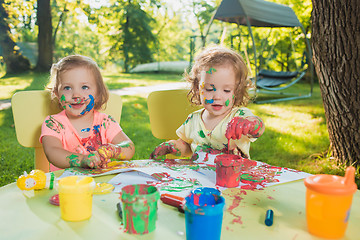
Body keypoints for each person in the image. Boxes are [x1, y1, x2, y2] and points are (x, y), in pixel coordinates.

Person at [150, 46, 264, 160]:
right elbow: (187, 148)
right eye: (209, 89)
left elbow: (258, 128)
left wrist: (250, 125)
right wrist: (173, 147)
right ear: (197, 88)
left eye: (227, 90)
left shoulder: (239, 116)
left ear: (237, 90)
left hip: (233, 175)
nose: (217, 97)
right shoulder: (193, 120)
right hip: (199, 175)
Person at [40, 55, 135, 171]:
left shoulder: (105, 122)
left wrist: (113, 149)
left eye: (84, 87)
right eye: (67, 88)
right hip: (66, 185)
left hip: (102, 185)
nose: (76, 95)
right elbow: (53, 152)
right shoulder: (53, 123)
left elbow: (129, 147)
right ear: (57, 93)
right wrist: (82, 160)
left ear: (98, 93)